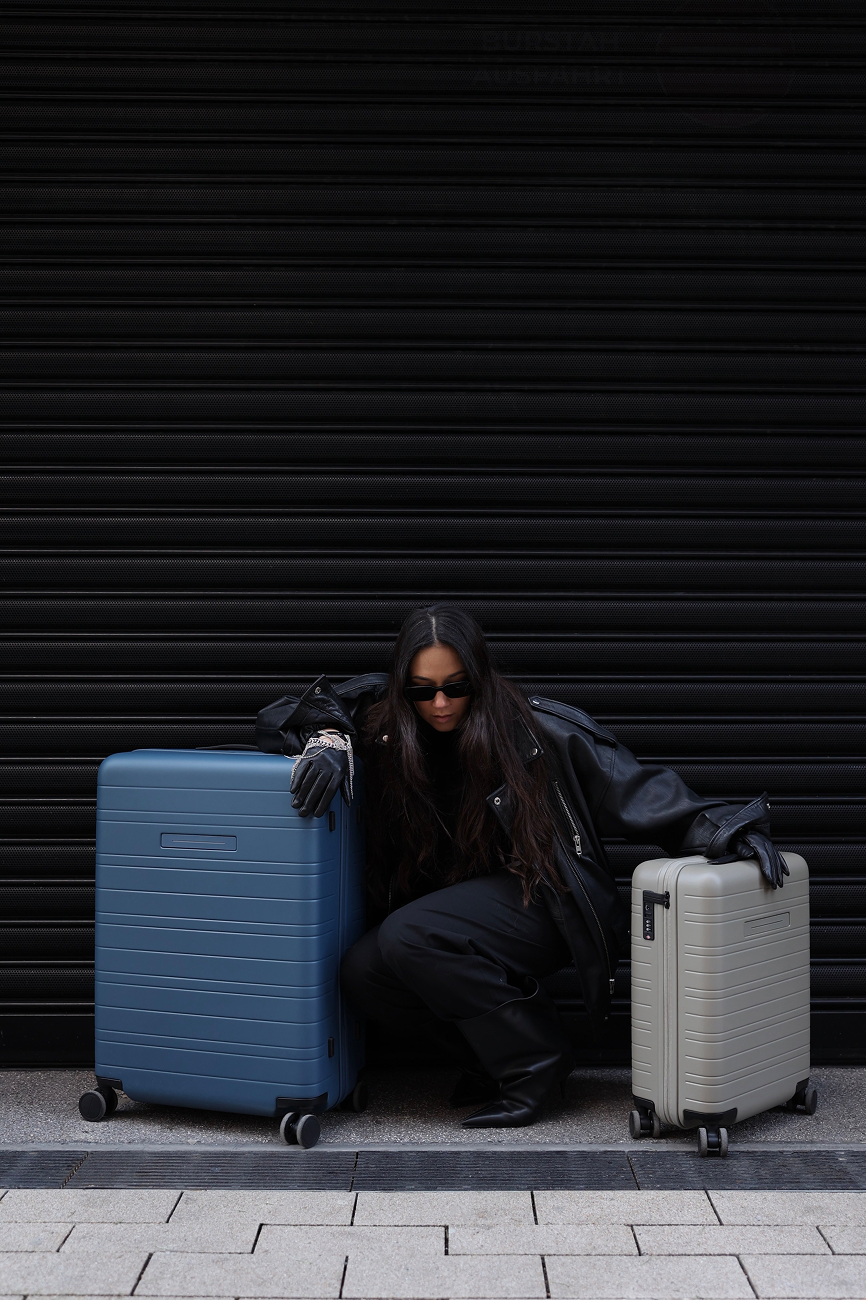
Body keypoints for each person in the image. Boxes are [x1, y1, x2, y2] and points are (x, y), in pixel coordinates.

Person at [256, 604, 788, 1129]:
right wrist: (329, 740)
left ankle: (537, 1062)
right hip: (444, 913)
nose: (439, 703)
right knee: (363, 971)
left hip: (542, 901)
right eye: (422, 690)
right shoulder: (380, 723)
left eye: (457, 687)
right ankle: (486, 1061)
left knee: (409, 936)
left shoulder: (533, 731)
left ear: (480, 677)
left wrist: (724, 830)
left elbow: (637, 791)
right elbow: (287, 716)